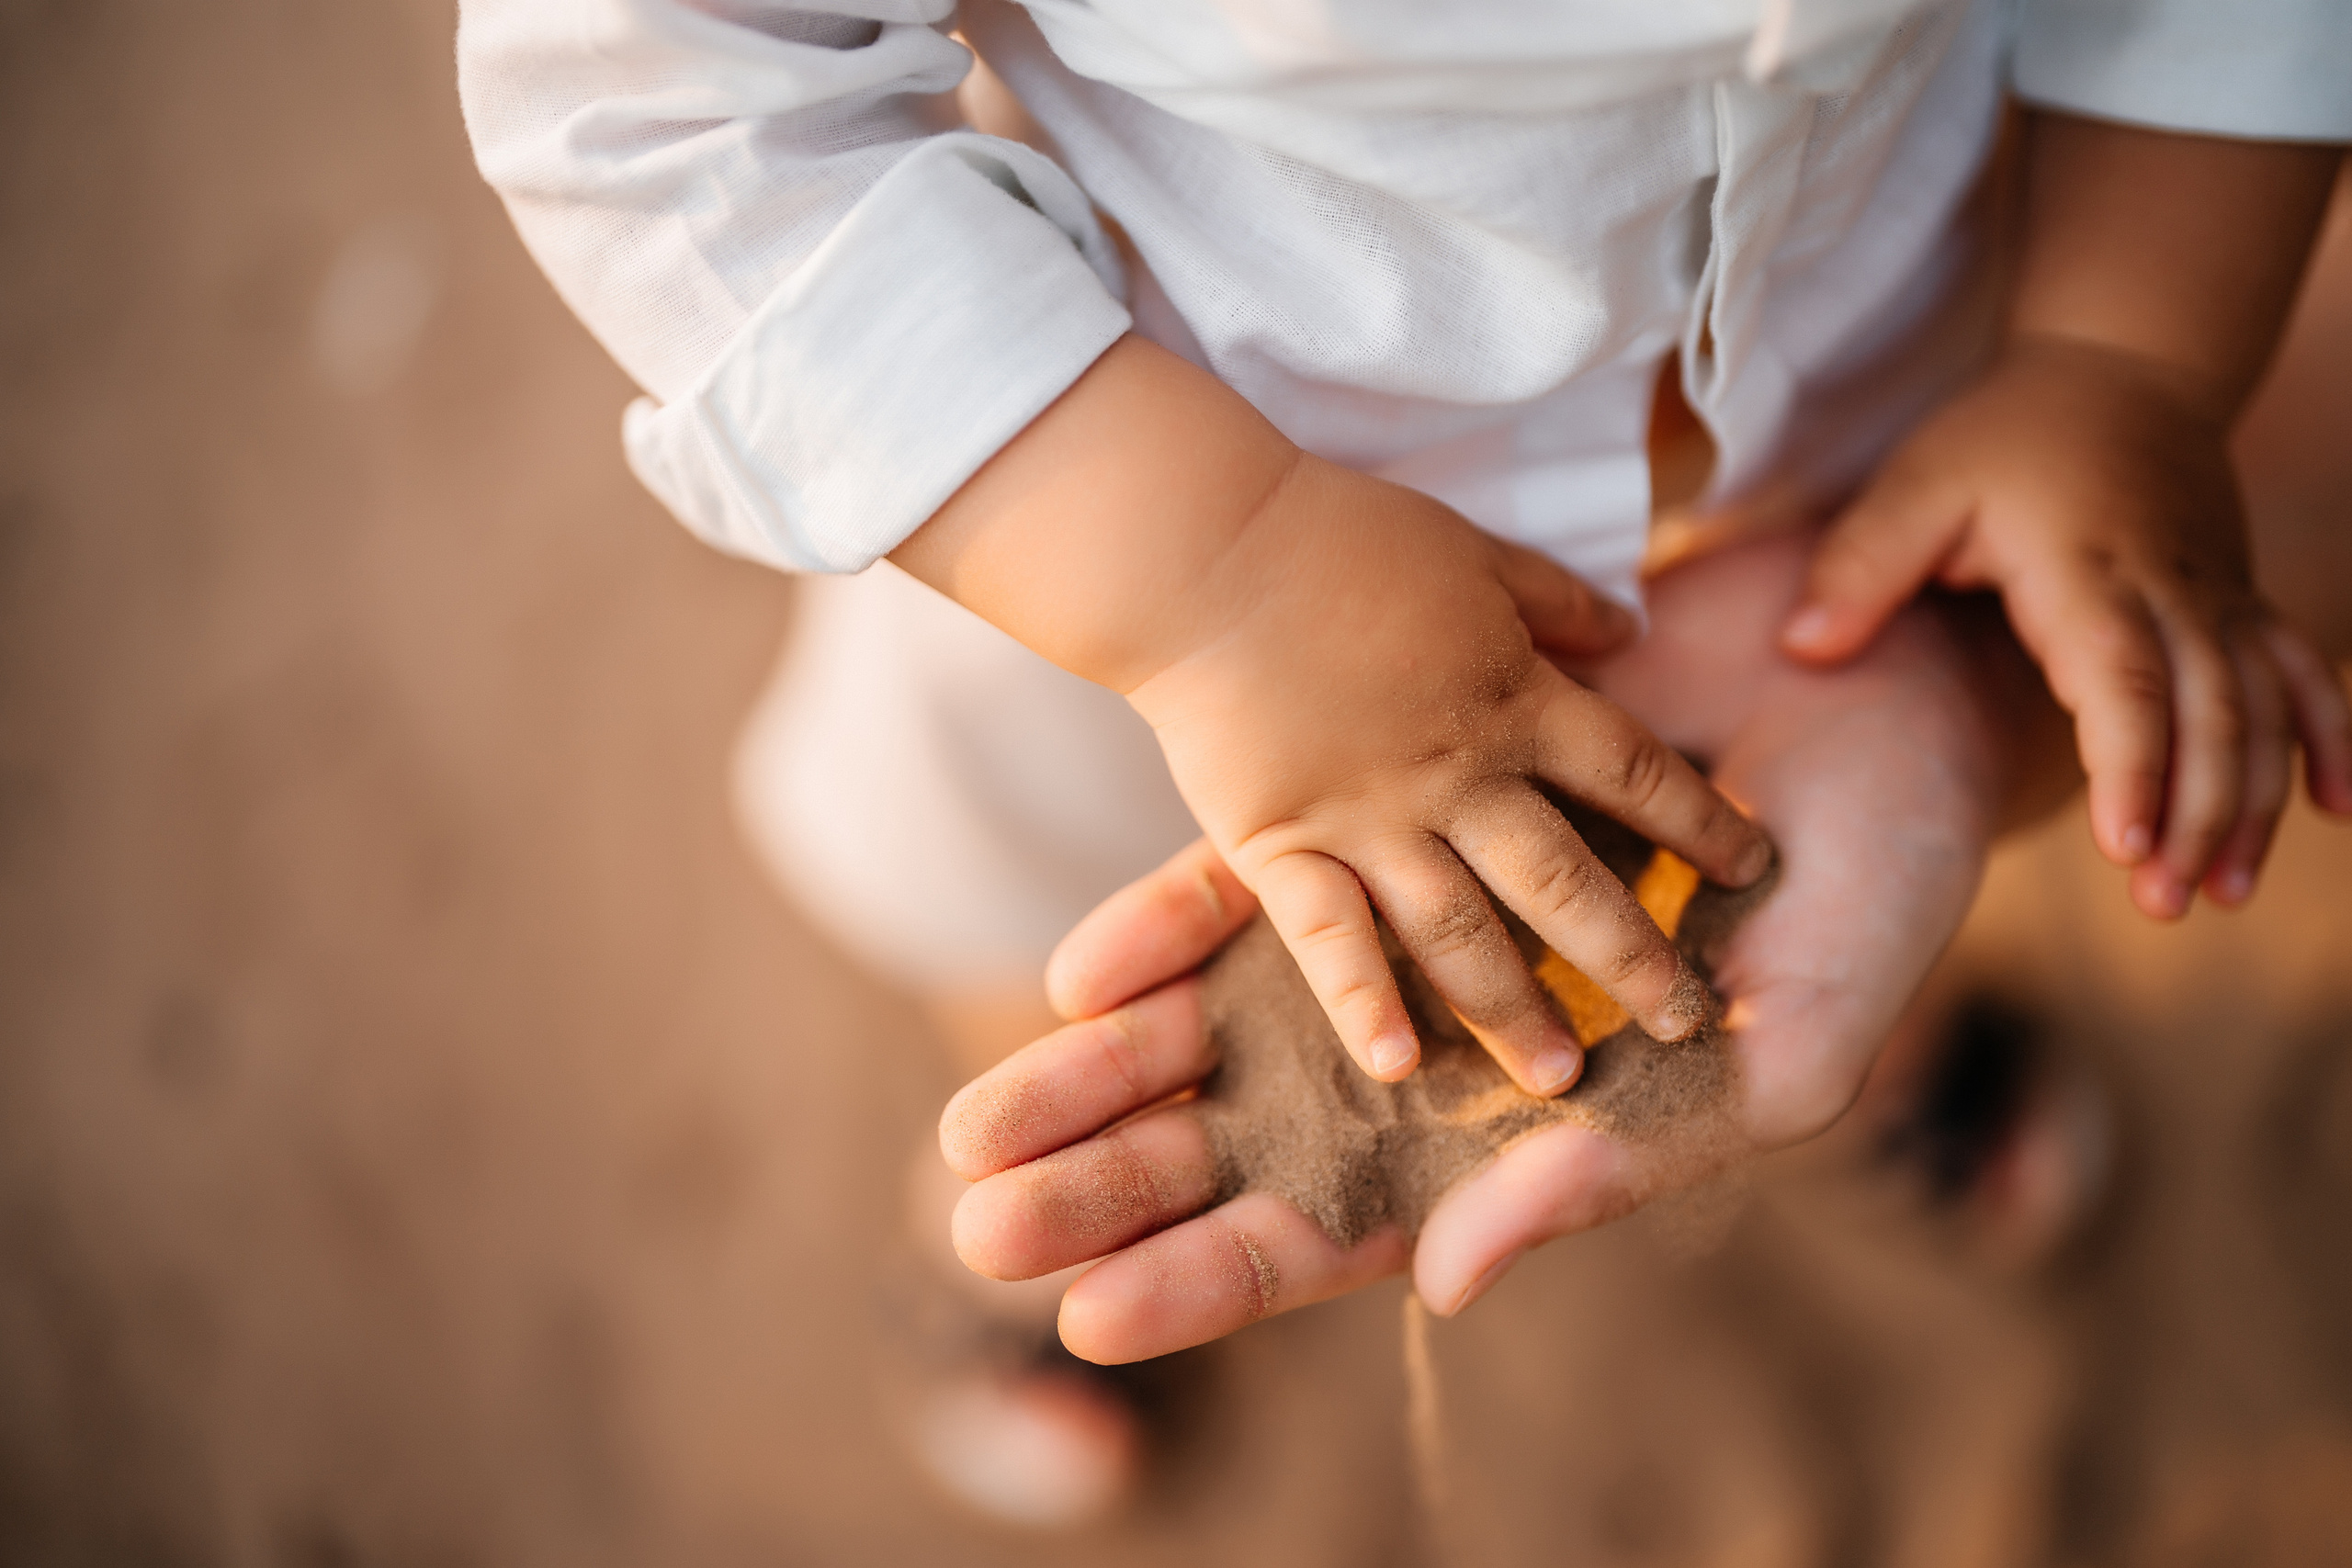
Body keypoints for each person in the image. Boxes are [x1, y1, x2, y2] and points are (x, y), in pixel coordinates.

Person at [457, 0, 2351, 1524]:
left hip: (1837, 451)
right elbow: (649, 84)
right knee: (1082, 942)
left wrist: (2122, 358)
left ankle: (1865, 1047)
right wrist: (1216, 587)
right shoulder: (1151, 580)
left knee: (1744, 862)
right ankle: (1059, 1198)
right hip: (1099, 542)